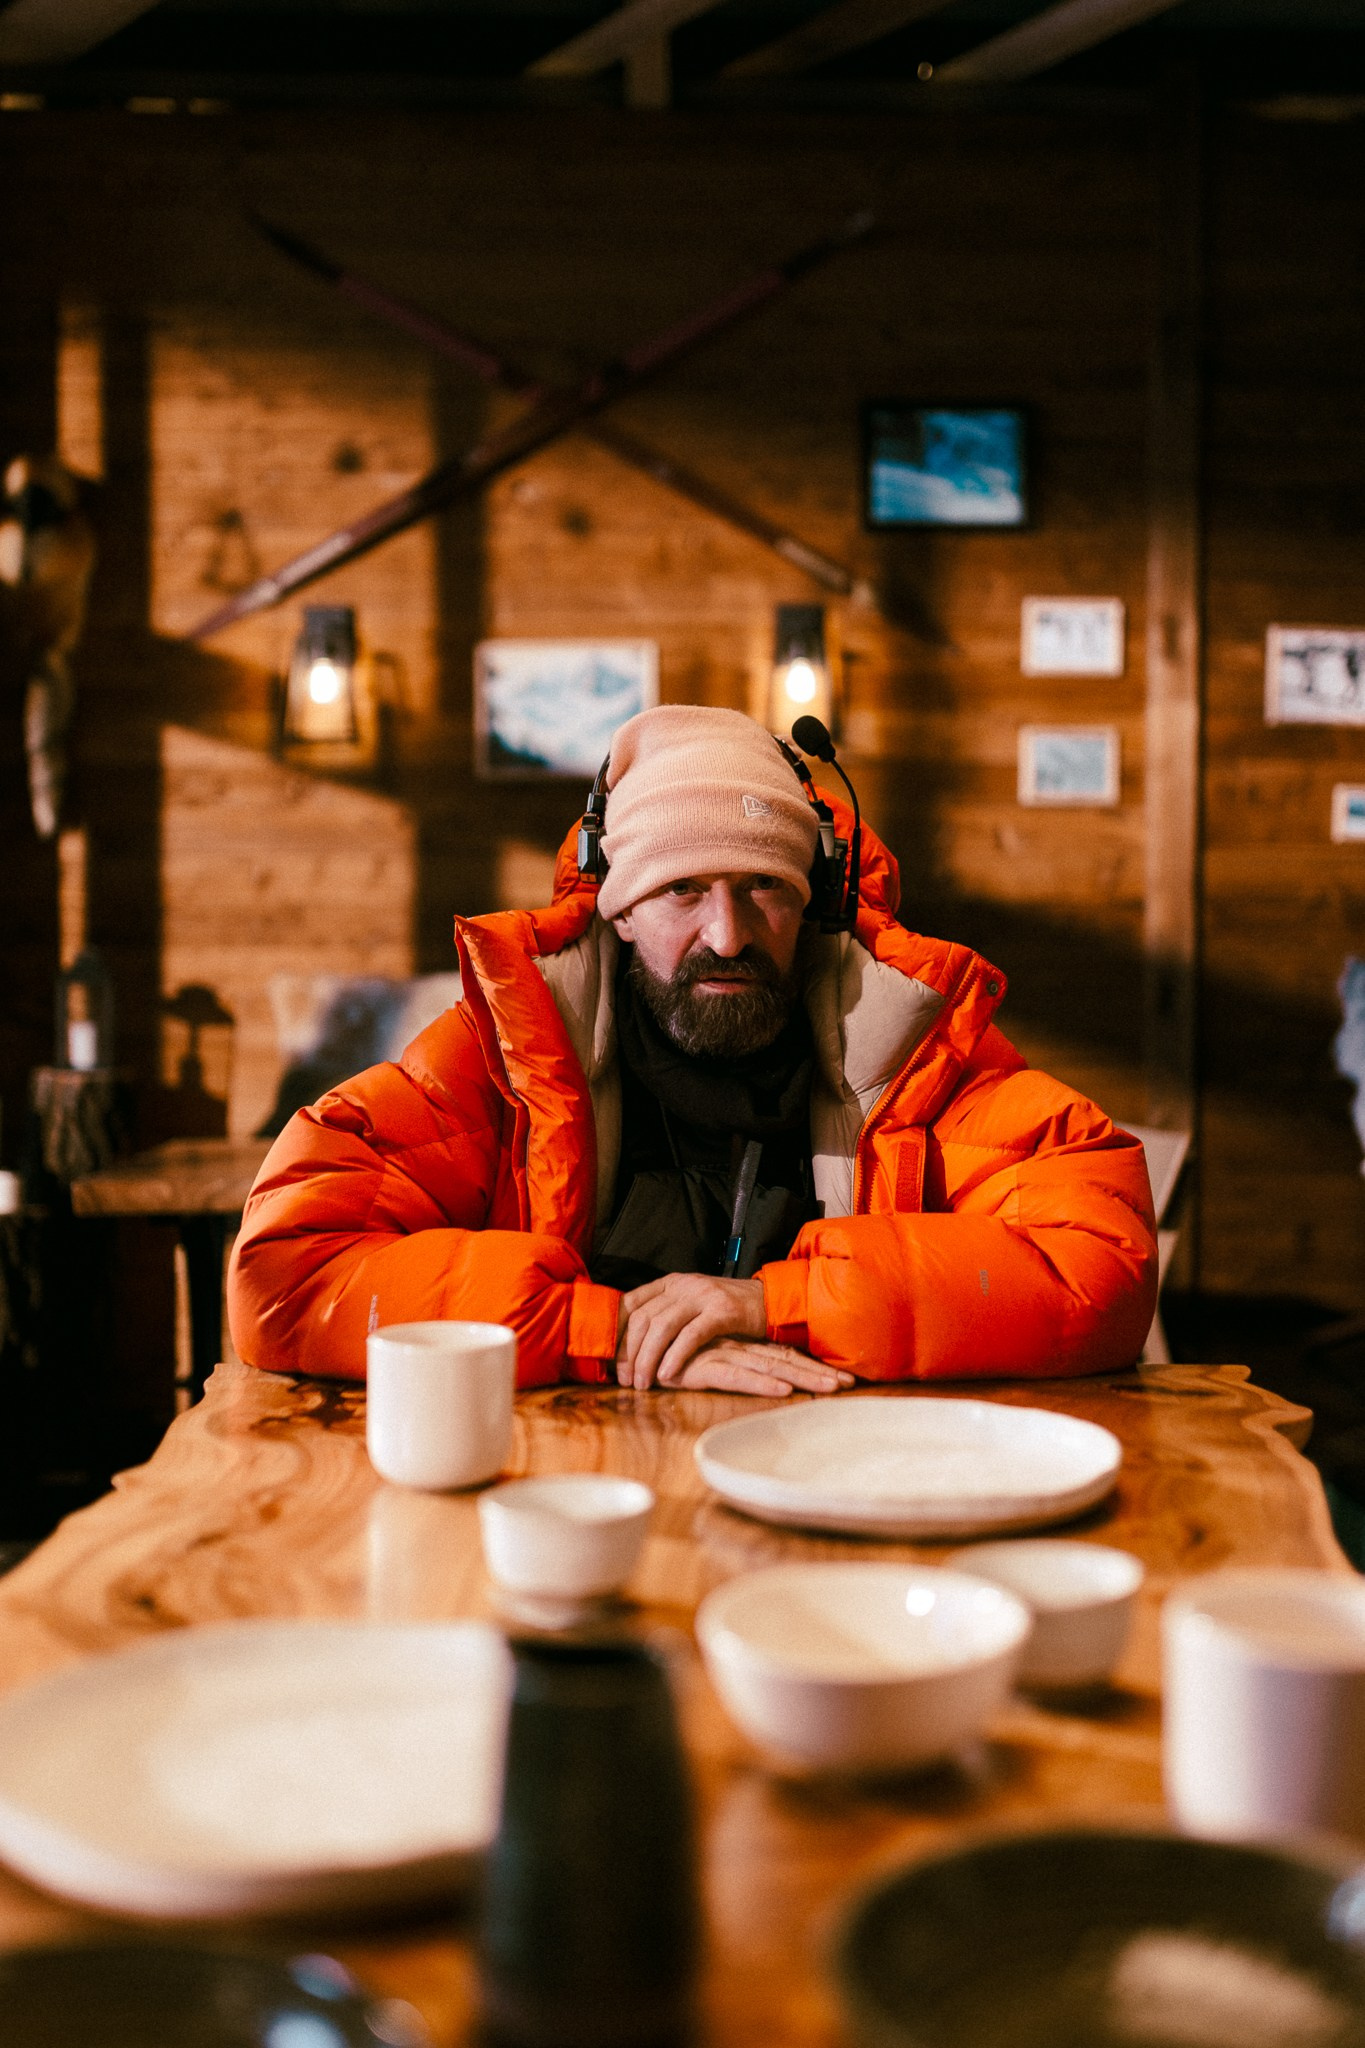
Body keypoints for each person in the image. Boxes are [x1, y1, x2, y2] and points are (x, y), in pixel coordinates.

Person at [227, 705, 1157, 1397]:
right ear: (619, 911)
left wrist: (779, 1305)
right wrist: (606, 1326)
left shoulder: (912, 1052)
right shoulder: (503, 1059)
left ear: (815, 903)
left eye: (763, 888)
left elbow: (1101, 1265)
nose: (727, 934)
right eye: (682, 892)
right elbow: (284, 1275)